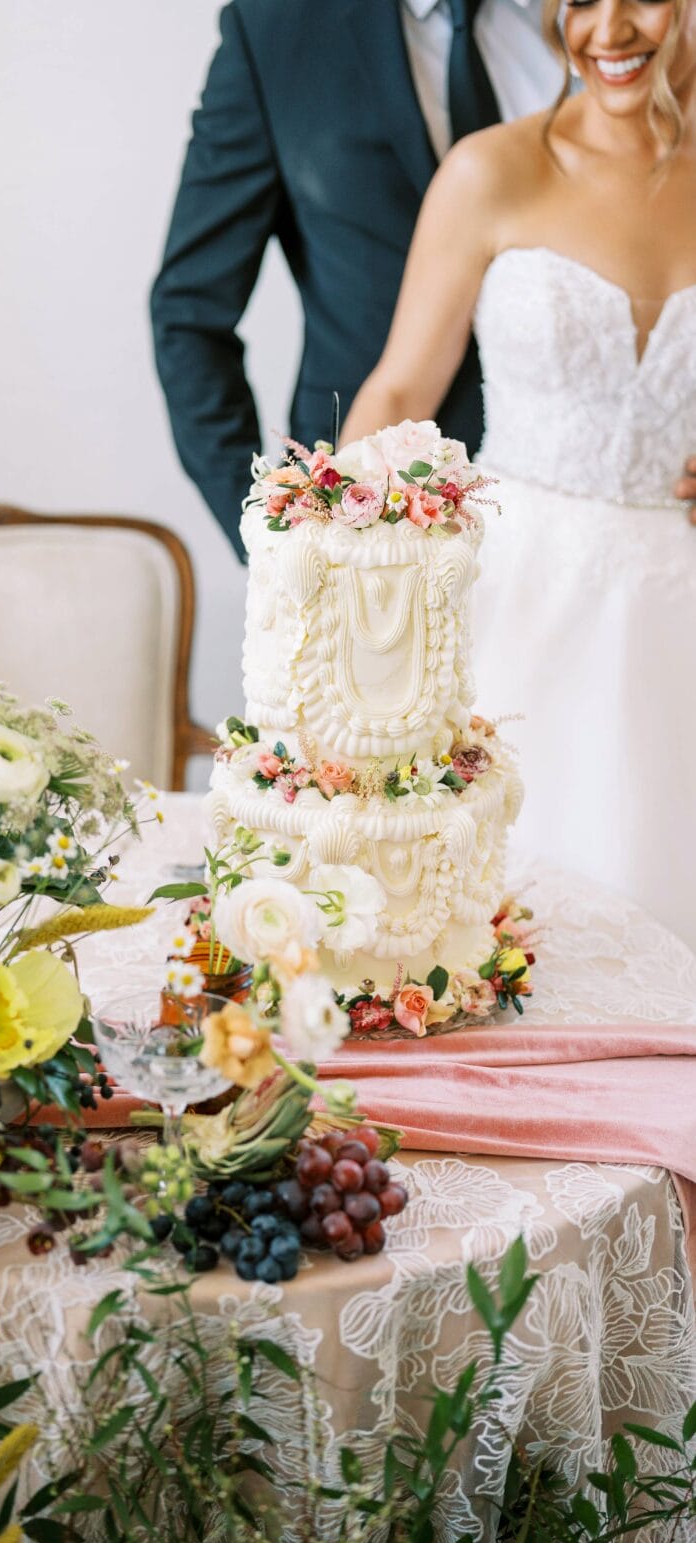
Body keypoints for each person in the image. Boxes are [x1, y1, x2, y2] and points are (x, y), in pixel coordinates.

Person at [341, 0, 696, 949]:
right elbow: (402, 387)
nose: (608, 31)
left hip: (680, 613)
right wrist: (326, 589)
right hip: (516, 603)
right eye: (580, 0)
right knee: (491, 929)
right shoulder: (492, 169)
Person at [150, 0, 565, 556]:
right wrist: (271, 540)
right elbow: (189, 315)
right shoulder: (276, 30)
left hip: (570, 507)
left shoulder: (597, 24)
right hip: (366, 513)